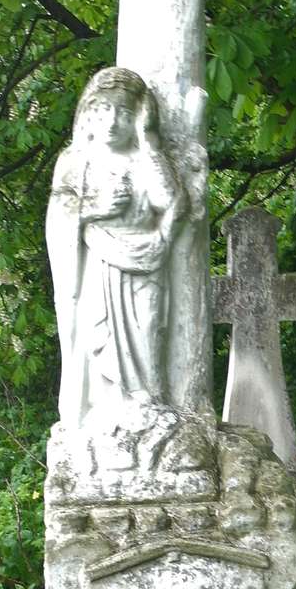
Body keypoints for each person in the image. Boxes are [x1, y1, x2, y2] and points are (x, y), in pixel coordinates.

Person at [48, 67, 185, 430]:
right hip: (99, 265)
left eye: (123, 113)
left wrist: (150, 143)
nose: (111, 120)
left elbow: (170, 201)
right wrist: (95, 207)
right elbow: (59, 215)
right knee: (99, 336)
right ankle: (105, 410)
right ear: (89, 114)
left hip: (146, 261)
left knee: (148, 330)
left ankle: (148, 404)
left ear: (137, 117)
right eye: (103, 110)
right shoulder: (76, 162)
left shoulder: (143, 159)